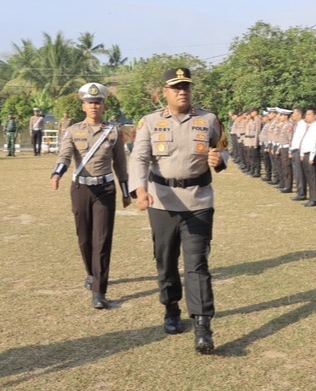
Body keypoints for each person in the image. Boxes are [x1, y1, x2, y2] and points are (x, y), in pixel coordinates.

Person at [129, 68, 228, 354]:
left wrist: (219, 160)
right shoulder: (150, 122)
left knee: (197, 263)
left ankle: (202, 325)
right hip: (162, 203)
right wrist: (140, 190)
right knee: (166, 260)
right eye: (176, 87)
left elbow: (223, 151)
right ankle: (171, 308)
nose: (182, 91)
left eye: (186, 87)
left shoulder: (209, 120)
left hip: (198, 201)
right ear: (165, 92)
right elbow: (139, 158)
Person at [49, 82, 130, 310]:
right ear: (83, 106)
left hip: (105, 190)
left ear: (103, 106)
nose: (94, 106)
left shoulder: (113, 132)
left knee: (102, 239)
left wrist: (125, 192)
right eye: (90, 102)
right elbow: (65, 156)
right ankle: (91, 273)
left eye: (98, 102)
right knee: (84, 238)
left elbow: (120, 164)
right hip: (81, 189)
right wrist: (57, 174)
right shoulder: (73, 131)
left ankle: (99, 291)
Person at [301, 108, 316, 207]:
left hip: (311, 154)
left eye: (309, 114)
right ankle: (311, 197)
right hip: (306, 153)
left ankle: (314, 198)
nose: (307, 116)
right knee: (309, 177)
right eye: (306, 114)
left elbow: (314, 142)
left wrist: (311, 156)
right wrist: (302, 154)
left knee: (313, 177)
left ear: (315, 116)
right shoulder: (310, 126)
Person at [289, 107, 307, 201]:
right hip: (295, 150)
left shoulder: (303, 125)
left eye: (294, 113)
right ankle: (299, 191)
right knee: (297, 172)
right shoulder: (298, 124)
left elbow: (301, 140)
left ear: (299, 115)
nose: (293, 115)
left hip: (299, 151)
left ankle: (302, 193)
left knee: (300, 173)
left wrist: (301, 153)